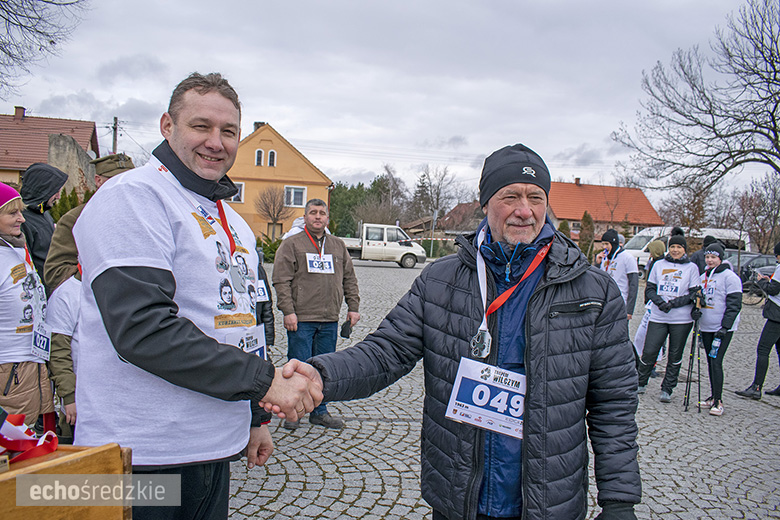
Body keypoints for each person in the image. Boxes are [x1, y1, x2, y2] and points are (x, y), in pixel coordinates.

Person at [276, 144, 641, 519]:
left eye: (536, 197)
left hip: (548, 502)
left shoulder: (592, 291)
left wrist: (619, 500)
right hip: (460, 494)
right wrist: (320, 375)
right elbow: (386, 351)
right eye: (510, 196)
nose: (524, 210)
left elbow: (614, 402)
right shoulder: (442, 279)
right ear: (485, 204)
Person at [71, 72, 322, 519]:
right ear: (167, 125)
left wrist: (254, 419)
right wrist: (265, 382)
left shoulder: (231, 216)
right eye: (200, 126)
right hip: (140, 455)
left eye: (228, 132)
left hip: (211, 448)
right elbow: (143, 330)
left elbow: (244, 323)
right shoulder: (133, 197)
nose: (216, 142)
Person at [272, 198, 361, 430]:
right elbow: (281, 280)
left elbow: (349, 278)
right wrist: (288, 311)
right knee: (298, 367)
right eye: (313, 212)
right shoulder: (292, 244)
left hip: (329, 320)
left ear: (327, 218)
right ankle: (293, 413)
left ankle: (320, 412)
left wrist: (353, 307)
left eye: (322, 213)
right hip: (301, 319)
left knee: (324, 370)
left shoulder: (338, 246)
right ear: (305, 217)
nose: (318, 216)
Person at [0, 183, 56, 428]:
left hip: (32, 361)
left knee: (28, 438)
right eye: (12, 213)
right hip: (8, 368)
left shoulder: (17, 248)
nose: (22, 218)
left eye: (20, 211)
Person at [43, 153, 134, 291]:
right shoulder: (75, 219)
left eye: (129, 179)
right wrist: (105, 275)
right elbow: (55, 273)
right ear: (98, 180)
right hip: (92, 302)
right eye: (114, 179)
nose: (122, 184)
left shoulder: (140, 216)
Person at [637, 233, 701, 402]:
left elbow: (693, 293)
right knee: (649, 351)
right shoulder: (659, 265)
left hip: (681, 318)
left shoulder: (691, 268)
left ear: (684, 250)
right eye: (673, 247)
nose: (675, 250)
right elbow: (650, 288)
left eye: (679, 247)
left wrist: (673, 304)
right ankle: (641, 382)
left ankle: (667, 388)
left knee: (675, 354)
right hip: (659, 315)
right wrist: (660, 302)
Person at [694, 242, 742, 415]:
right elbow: (699, 298)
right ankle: (713, 395)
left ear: (720, 258)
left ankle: (718, 400)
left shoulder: (730, 277)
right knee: (710, 360)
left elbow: (735, 304)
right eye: (707, 257)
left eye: (713, 257)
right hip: (706, 326)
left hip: (722, 328)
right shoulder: (703, 276)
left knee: (716, 361)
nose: (710, 260)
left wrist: (725, 326)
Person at [736, 241, 780, 399]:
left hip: (776, 316)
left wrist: (762, 281)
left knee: (763, 349)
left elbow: (774, 289)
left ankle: (756, 387)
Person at [20, 163, 68, 293]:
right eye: (55, 191)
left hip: (52, 289)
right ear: (43, 189)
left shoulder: (43, 212)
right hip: (38, 292)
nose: (58, 196)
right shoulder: (22, 221)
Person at [599, 228, 639, 319]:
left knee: (620, 331)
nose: (604, 247)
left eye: (606, 244)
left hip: (621, 302)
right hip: (606, 302)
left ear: (613, 243)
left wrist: (629, 309)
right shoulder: (605, 257)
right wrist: (597, 263)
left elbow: (633, 285)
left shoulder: (628, 258)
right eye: (603, 244)